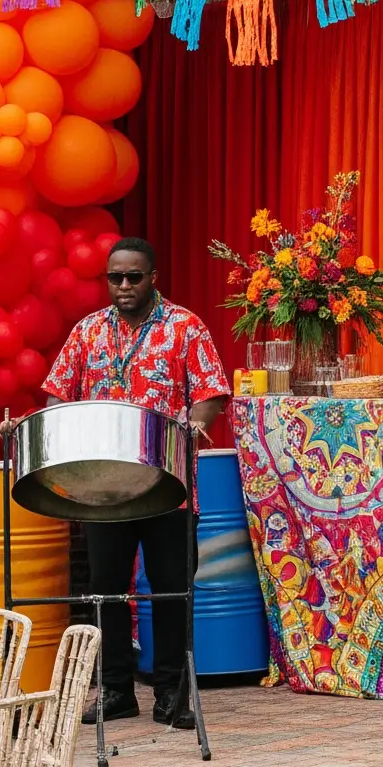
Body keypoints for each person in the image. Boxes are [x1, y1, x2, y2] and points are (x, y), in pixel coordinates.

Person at [42, 237, 229, 727]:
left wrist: (195, 421)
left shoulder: (185, 327)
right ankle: (116, 690)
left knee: (170, 588)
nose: (123, 286)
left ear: (154, 278)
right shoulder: (87, 332)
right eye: (115, 278)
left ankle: (171, 692)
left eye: (133, 277)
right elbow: (58, 397)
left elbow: (211, 391)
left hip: (165, 483)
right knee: (105, 587)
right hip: (104, 486)